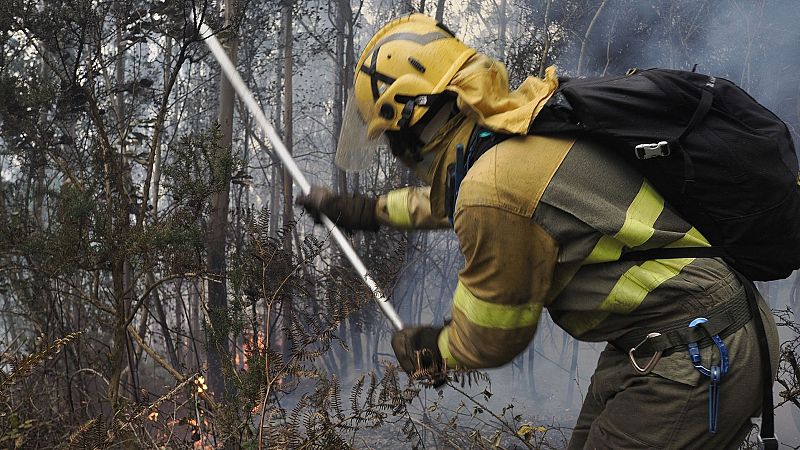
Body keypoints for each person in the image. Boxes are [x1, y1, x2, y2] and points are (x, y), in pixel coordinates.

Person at [297, 13, 779, 449]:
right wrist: (364, 211)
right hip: (679, 336)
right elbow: (460, 200)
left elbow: (493, 335)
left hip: (692, 351)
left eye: (391, 138)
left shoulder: (490, 186)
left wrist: (434, 348)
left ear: (411, 121)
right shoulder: (516, 126)